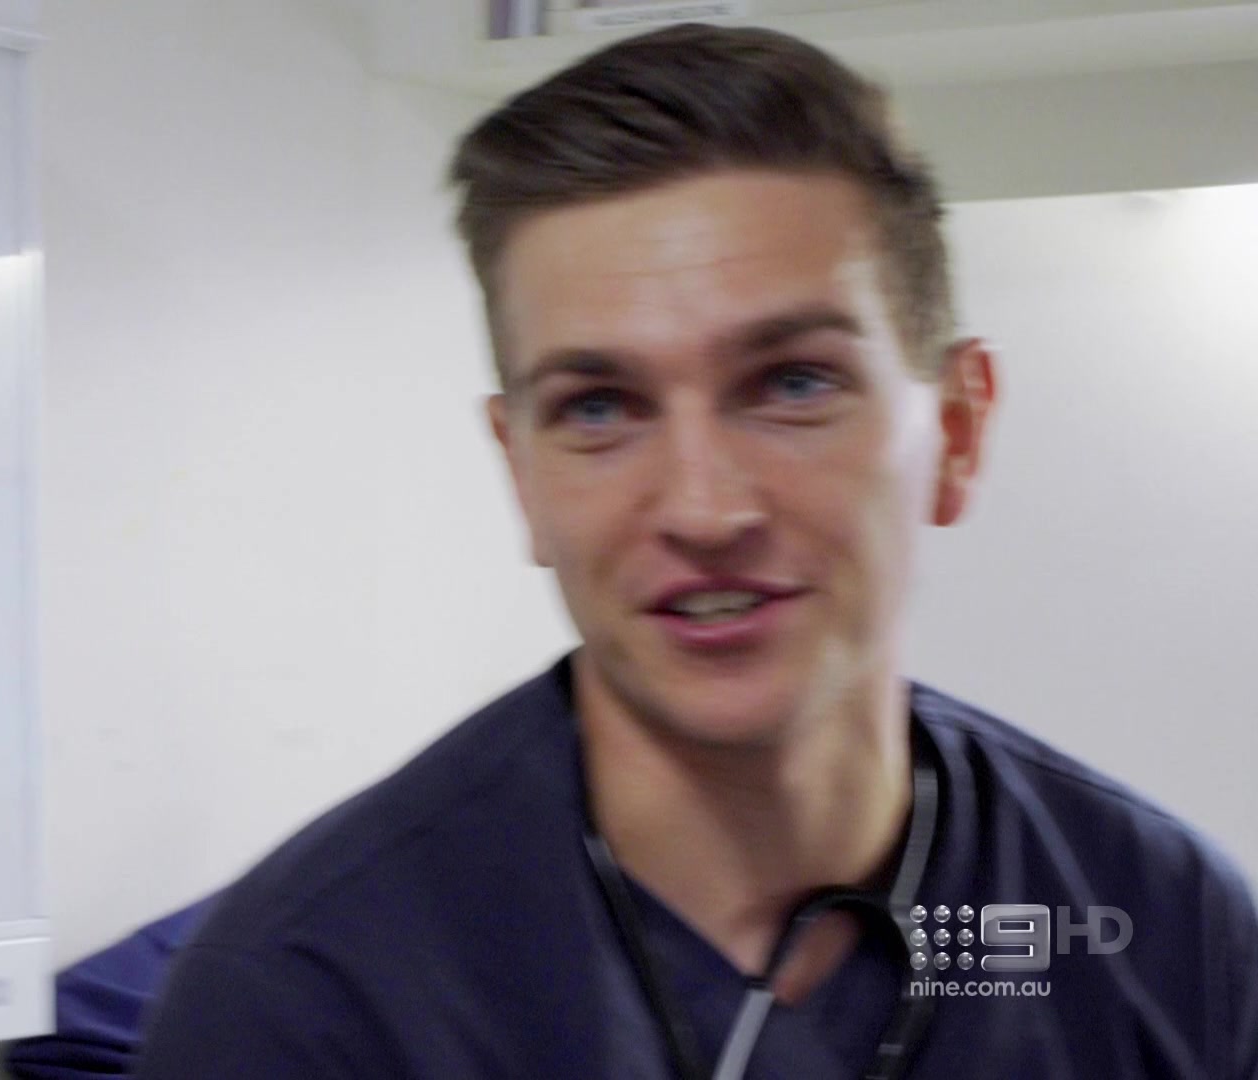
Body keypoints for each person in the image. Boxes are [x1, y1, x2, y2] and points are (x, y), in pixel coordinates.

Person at [124, 22, 1258, 1080]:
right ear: (521, 474)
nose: (706, 511)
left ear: (958, 430)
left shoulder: (1170, 939)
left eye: (793, 384)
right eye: (599, 407)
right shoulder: (304, 1002)